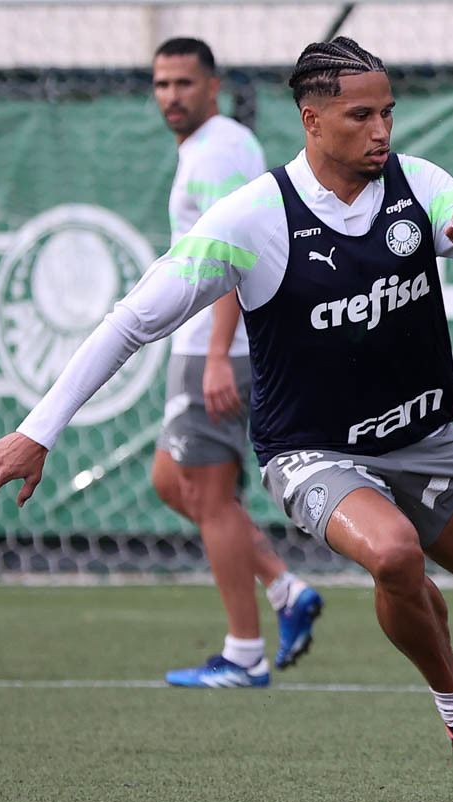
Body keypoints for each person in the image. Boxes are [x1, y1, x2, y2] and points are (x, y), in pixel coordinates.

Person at [0, 36, 453, 802]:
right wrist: (38, 430)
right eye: (360, 115)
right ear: (312, 121)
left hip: (423, 440)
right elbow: (129, 322)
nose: (381, 130)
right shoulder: (251, 217)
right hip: (313, 452)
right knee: (393, 555)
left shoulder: (420, 185)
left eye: (387, 113)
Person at [149, 36, 323, 689]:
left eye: (184, 84)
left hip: (215, 348)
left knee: (208, 495)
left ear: (213, 86)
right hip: (203, 346)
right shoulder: (211, 146)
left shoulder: (220, 148)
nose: (171, 96)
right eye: (162, 84)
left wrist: (220, 352)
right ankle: (284, 589)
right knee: (173, 480)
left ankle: (244, 654)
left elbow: (234, 254)